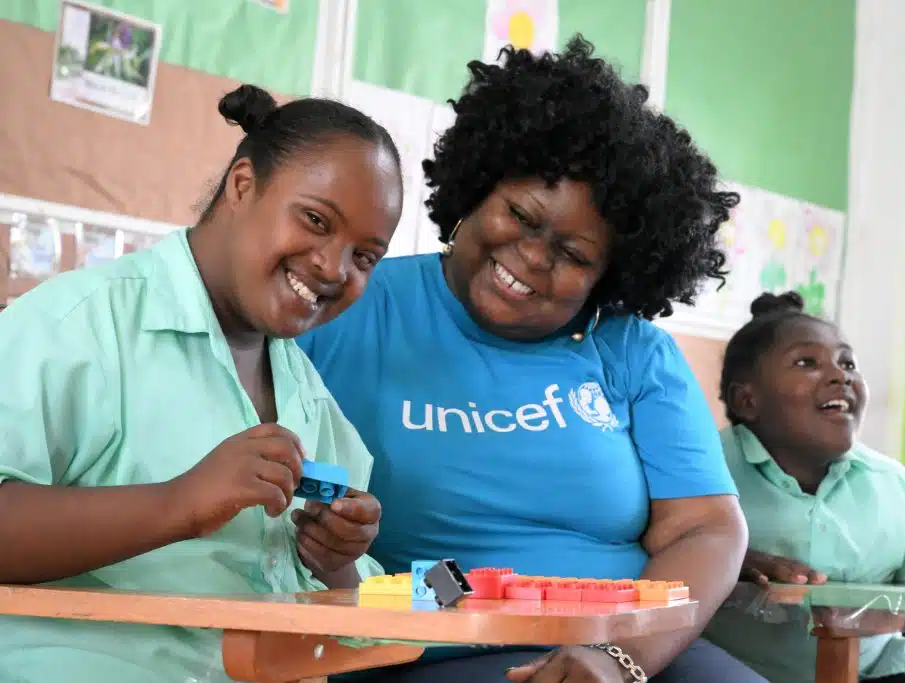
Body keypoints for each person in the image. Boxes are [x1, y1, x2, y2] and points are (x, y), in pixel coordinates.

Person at [299, 36, 766, 683]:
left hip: (633, 649)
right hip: (431, 646)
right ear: (477, 186)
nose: (533, 257)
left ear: (609, 277)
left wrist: (619, 660)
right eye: (520, 215)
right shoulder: (349, 306)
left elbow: (706, 529)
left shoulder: (632, 350)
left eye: (574, 255)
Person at [0, 84, 403, 683]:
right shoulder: (79, 325)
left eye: (365, 257)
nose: (333, 266)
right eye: (316, 220)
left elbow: (345, 609)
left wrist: (338, 563)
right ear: (242, 186)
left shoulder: (308, 395)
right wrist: (180, 502)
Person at [703, 291, 905, 683]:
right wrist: (728, 559)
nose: (841, 376)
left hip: (879, 673)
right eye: (806, 362)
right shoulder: (703, 474)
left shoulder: (888, 483)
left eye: (848, 363)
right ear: (747, 400)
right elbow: (655, 557)